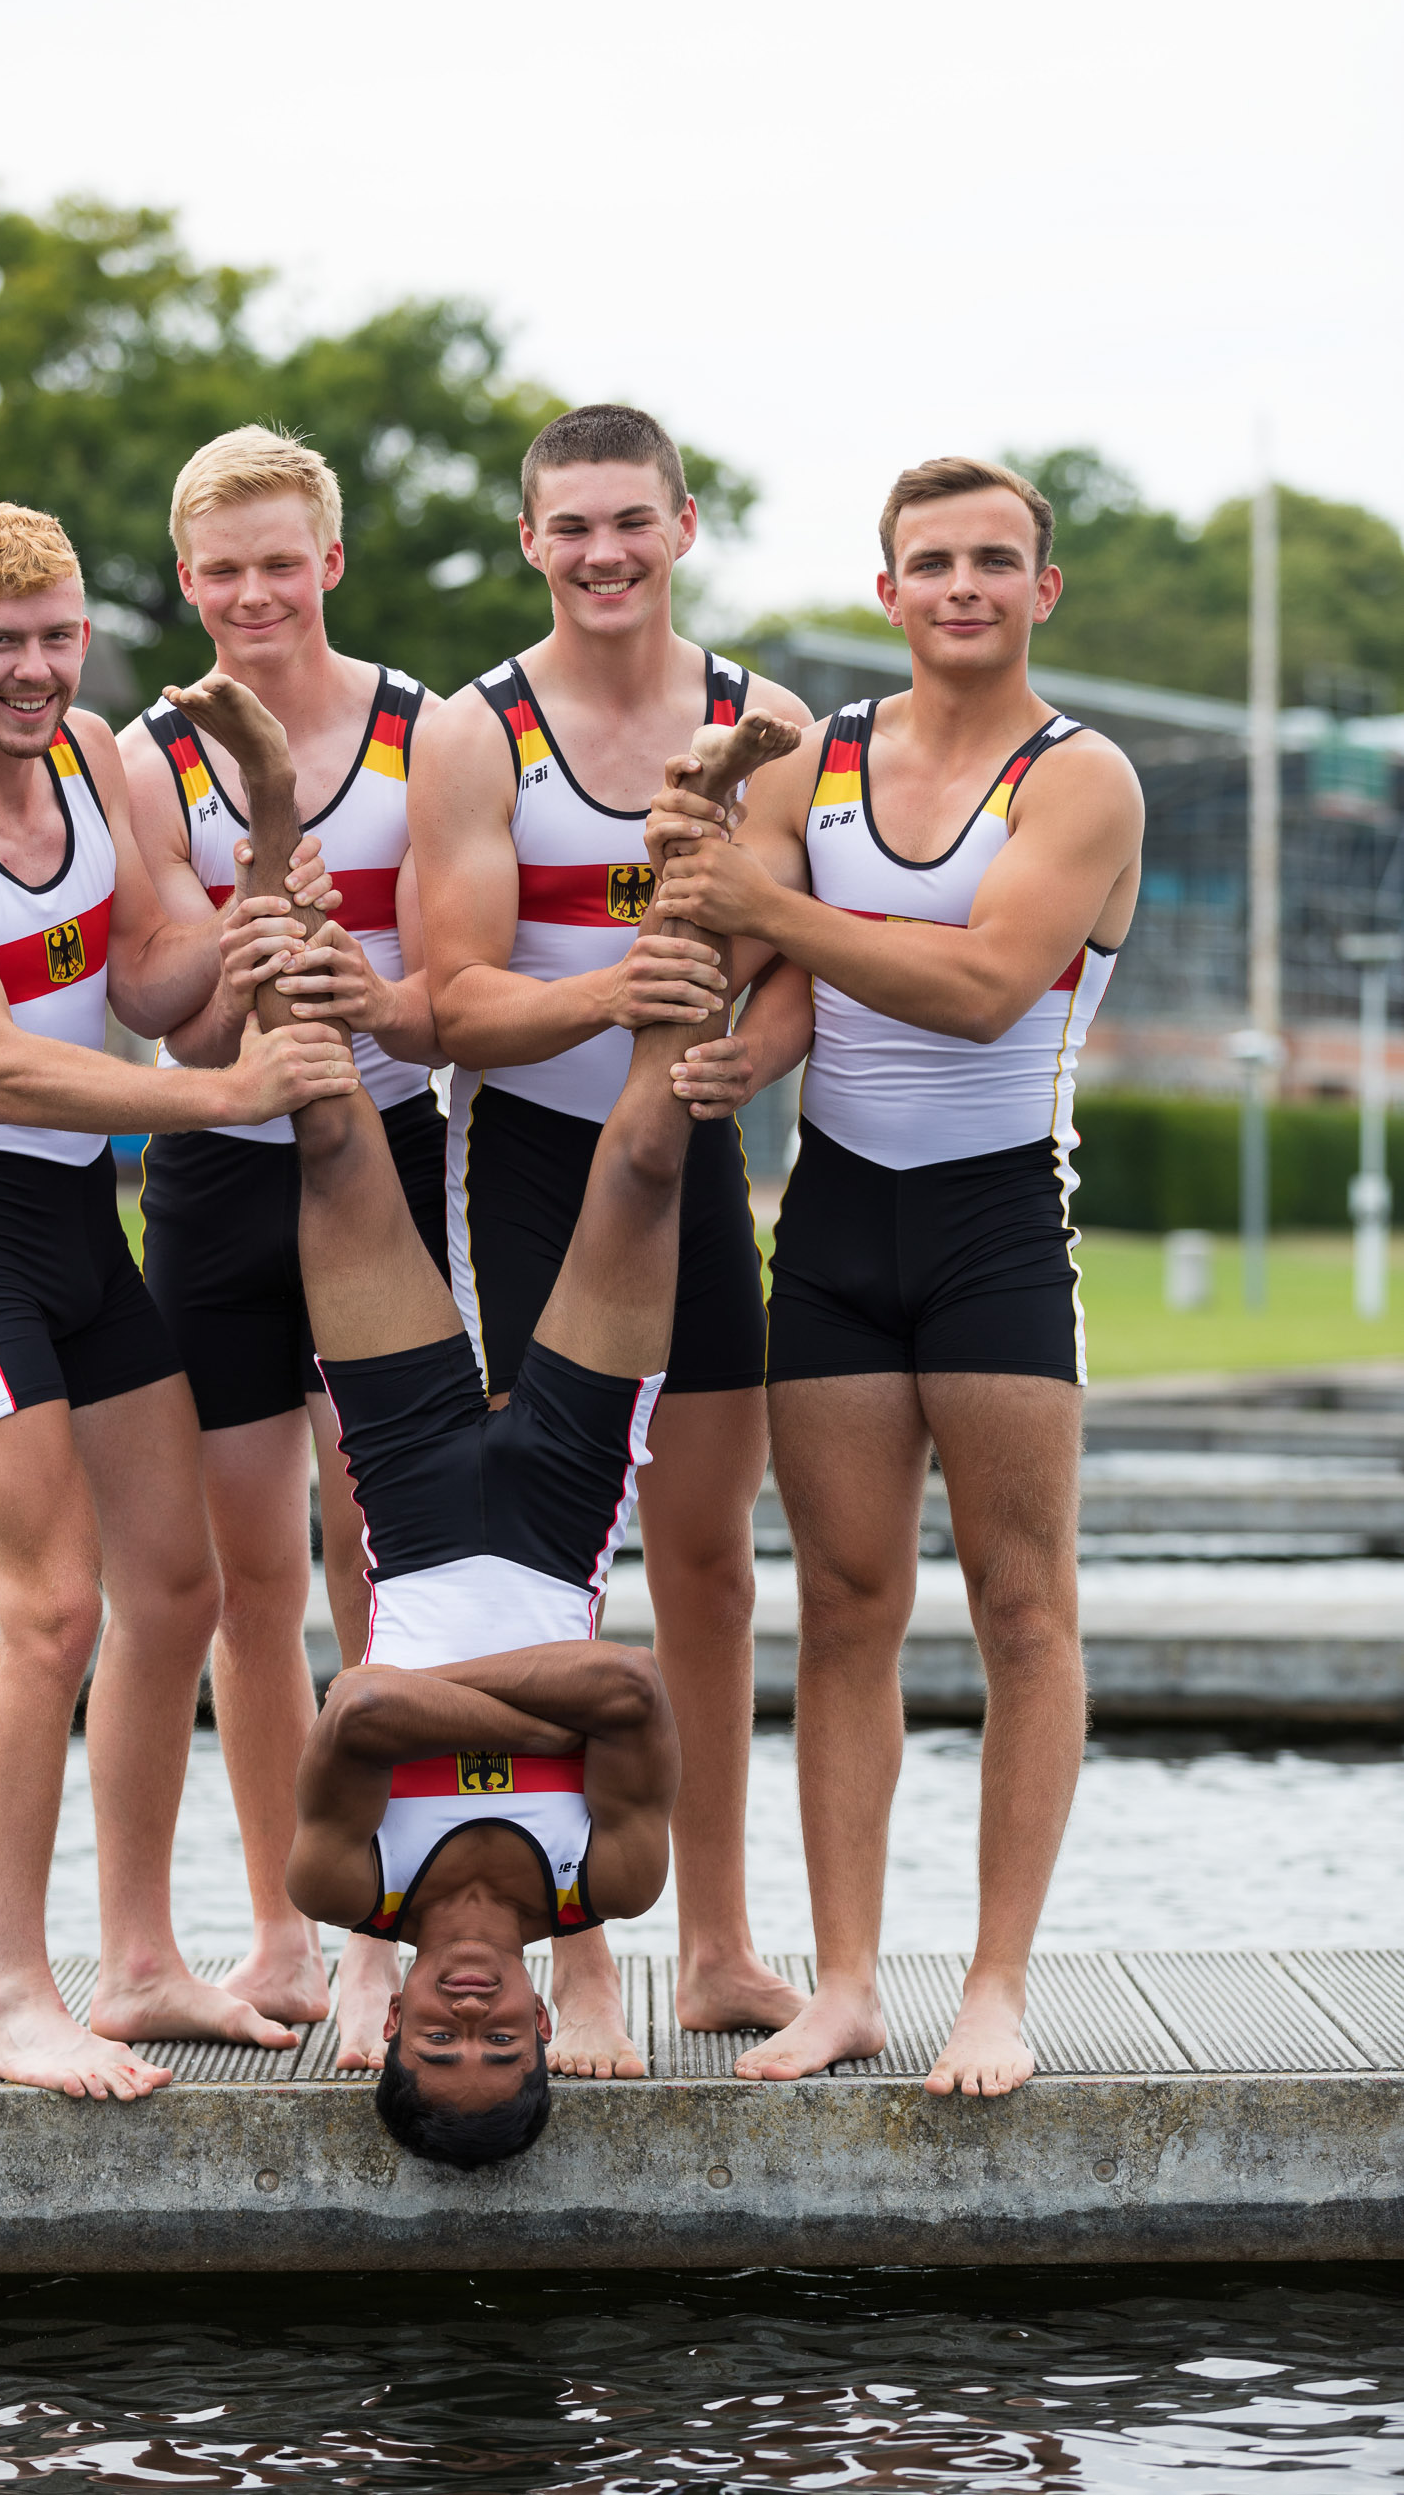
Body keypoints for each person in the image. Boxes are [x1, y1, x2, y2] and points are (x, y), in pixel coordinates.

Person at [0, 500, 355, 2101]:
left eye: (59, 637)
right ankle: (8, 1997)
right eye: (1, 644)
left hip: (81, 1236)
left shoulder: (94, 768)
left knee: (174, 1597)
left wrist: (260, 876)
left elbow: (152, 985)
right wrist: (235, 1093)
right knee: (50, 1613)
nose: (37, 670)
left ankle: (137, 1965)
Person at [646, 456, 1144, 2096]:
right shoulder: (821, 759)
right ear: (889, 591)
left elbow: (991, 985)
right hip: (842, 1234)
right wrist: (731, 1037)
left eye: (996, 561)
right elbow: (773, 977)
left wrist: (765, 894)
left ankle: (995, 1985)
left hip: (1002, 1228)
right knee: (847, 1611)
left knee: (1023, 1608)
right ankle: (847, 1981)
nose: (964, 588)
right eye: (932, 562)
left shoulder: (1083, 781)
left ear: (1040, 591)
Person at [287, 703, 801, 2163]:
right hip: (567, 1500)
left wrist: (536, 1711)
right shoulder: (609, 1882)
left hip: (416, 1495)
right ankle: (692, 815)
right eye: (492, 2041)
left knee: (328, 1132)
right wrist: (561, 1704)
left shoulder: (348, 1885)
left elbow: (363, 1715)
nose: (464, 2013)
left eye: (436, 2039)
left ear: (385, 2028)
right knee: (651, 1148)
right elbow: (637, 1686)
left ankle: (271, 813)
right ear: (531, 2026)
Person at [407, 403, 814, 2079]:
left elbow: (800, 962)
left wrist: (742, 1055)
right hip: (536, 1168)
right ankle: (577, 1969)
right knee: (540, 1578)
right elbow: (453, 997)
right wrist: (621, 992)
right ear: (530, 540)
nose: (602, 555)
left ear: (684, 523)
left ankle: (715, 1944)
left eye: (629, 523)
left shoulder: (767, 722)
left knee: (711, 1563)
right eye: (569, 527)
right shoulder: (472, 731)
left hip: (697, 1157)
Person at [119, 427, 446, 2035]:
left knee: (378, 1560)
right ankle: (282, 1929)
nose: (253, 592)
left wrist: (354, 964)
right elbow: (175, 1039)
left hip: (383, 1158)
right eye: (221, 568)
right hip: (218, 1178)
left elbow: (454, 992)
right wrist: (254, 913)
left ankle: (385, 1919)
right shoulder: (146, 751)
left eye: (279, 560)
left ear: (331, 561)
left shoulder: (424, 730)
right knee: (253, 1588)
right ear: (189, 581)